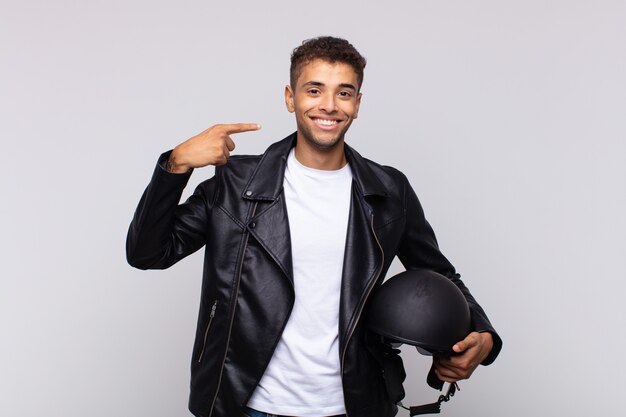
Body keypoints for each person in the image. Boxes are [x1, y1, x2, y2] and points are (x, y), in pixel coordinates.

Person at [126, 36, 502, 417]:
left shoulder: (389, 190)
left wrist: (484, 335)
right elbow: (148, 253)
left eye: (344, 93)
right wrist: (175, 166)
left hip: (355, 404)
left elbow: (438, 273)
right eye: (314, 90)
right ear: (290, 98)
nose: (328, 105)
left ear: (357, 104)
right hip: (251, 405)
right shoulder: (235, 184)